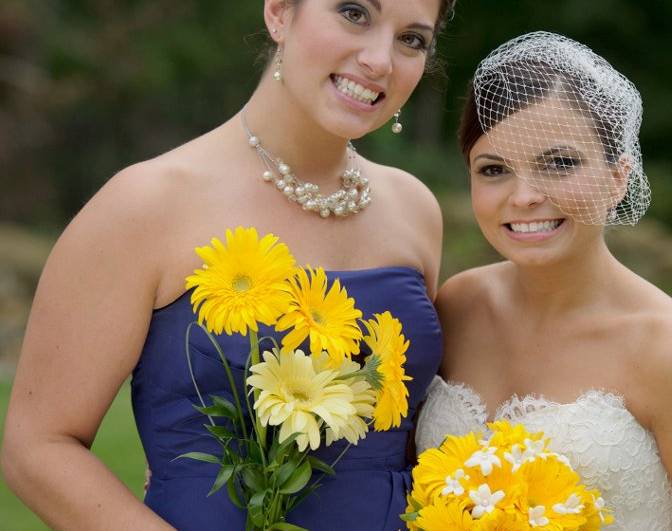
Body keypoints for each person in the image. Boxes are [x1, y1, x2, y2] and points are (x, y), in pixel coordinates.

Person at [1, 1, 456, 529]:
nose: (381, 59)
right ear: (280, 12)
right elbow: (37, 447)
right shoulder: (146, 204)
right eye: (354, 13)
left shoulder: (415, 210)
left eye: (412, 40)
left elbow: (414, 437)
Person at [415, 32, 672, 530]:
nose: (524, 196)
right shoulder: (457, 306)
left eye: (559, 163)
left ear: (619, 175)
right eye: (494, 169)